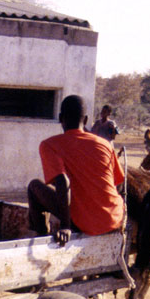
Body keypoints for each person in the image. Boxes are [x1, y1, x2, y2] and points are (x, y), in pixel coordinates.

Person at [27, 95, 125, 245]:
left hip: (84, 223)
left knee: (34, 186)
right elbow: (116, 182)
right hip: (115, 217)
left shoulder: (50, 145)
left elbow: (62, 181)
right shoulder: (105, 144)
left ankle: (41, 236)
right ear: (85, 120)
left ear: (60, 118)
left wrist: (66, 226)